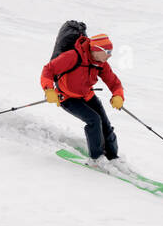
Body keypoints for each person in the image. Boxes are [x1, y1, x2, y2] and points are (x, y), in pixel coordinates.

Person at [41, 32, 125, 160]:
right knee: (94, 120)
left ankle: (113, 158)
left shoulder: (101, 63)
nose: (110, 55)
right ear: (96, 50)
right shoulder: (72, 57)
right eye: (107, 51)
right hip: (67, 98)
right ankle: (97, 159)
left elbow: (114, 82)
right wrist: (49, 90)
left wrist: (118, 95)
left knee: (105, 125)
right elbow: (48, 70)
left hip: (87, 95)